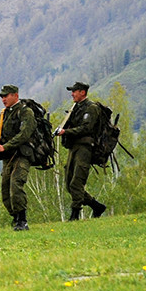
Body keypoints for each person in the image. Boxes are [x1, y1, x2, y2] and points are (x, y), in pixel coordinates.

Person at [55, 81, 107, 220]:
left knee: (76, 182)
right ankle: (96, 206)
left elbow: (86, 128)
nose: (72, 94)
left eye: (74, 91)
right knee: (69, 184)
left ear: (82, 92)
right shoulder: (75, 108)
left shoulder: (91, 108)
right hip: (74, 147)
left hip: (85, 148)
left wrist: (66, 131)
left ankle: (75, 214)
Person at [0, 85, 35, 231]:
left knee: (16, 185)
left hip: (22, 155)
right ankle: (16, 218)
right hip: (7, 157)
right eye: (2, 97)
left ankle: (23, 221)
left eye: (6, 96)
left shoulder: (25, 112)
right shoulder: (3, 114)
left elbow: (24, 134)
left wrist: (5, 146)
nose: (3, 99)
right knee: (5, 191)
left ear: (15, 95)